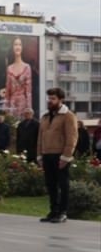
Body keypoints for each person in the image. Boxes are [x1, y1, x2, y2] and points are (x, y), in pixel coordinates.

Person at [37, 88, 78, 224]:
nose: (50, 101)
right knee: (51, 185)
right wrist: (39, 155)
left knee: (63, 184)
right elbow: (40, 138)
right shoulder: (45, 117)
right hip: (47, 154)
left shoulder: (68, 116)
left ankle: (62, 212)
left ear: (61, 100)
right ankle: (53, 211)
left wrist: (66, 156)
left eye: (53, 98)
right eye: (49, 98)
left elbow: (72, 137)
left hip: (60, 156)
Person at [5, 36, 33, 118]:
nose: (17, 47)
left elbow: (28, 92)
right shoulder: (9, 68)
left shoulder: (27, 67)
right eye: (15, 44)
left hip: (23, 105)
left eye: (20, 44)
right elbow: (8, 91)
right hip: (12, 105)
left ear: (22, 47)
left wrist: (29, 109)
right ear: (12, 47)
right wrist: (6, 109)